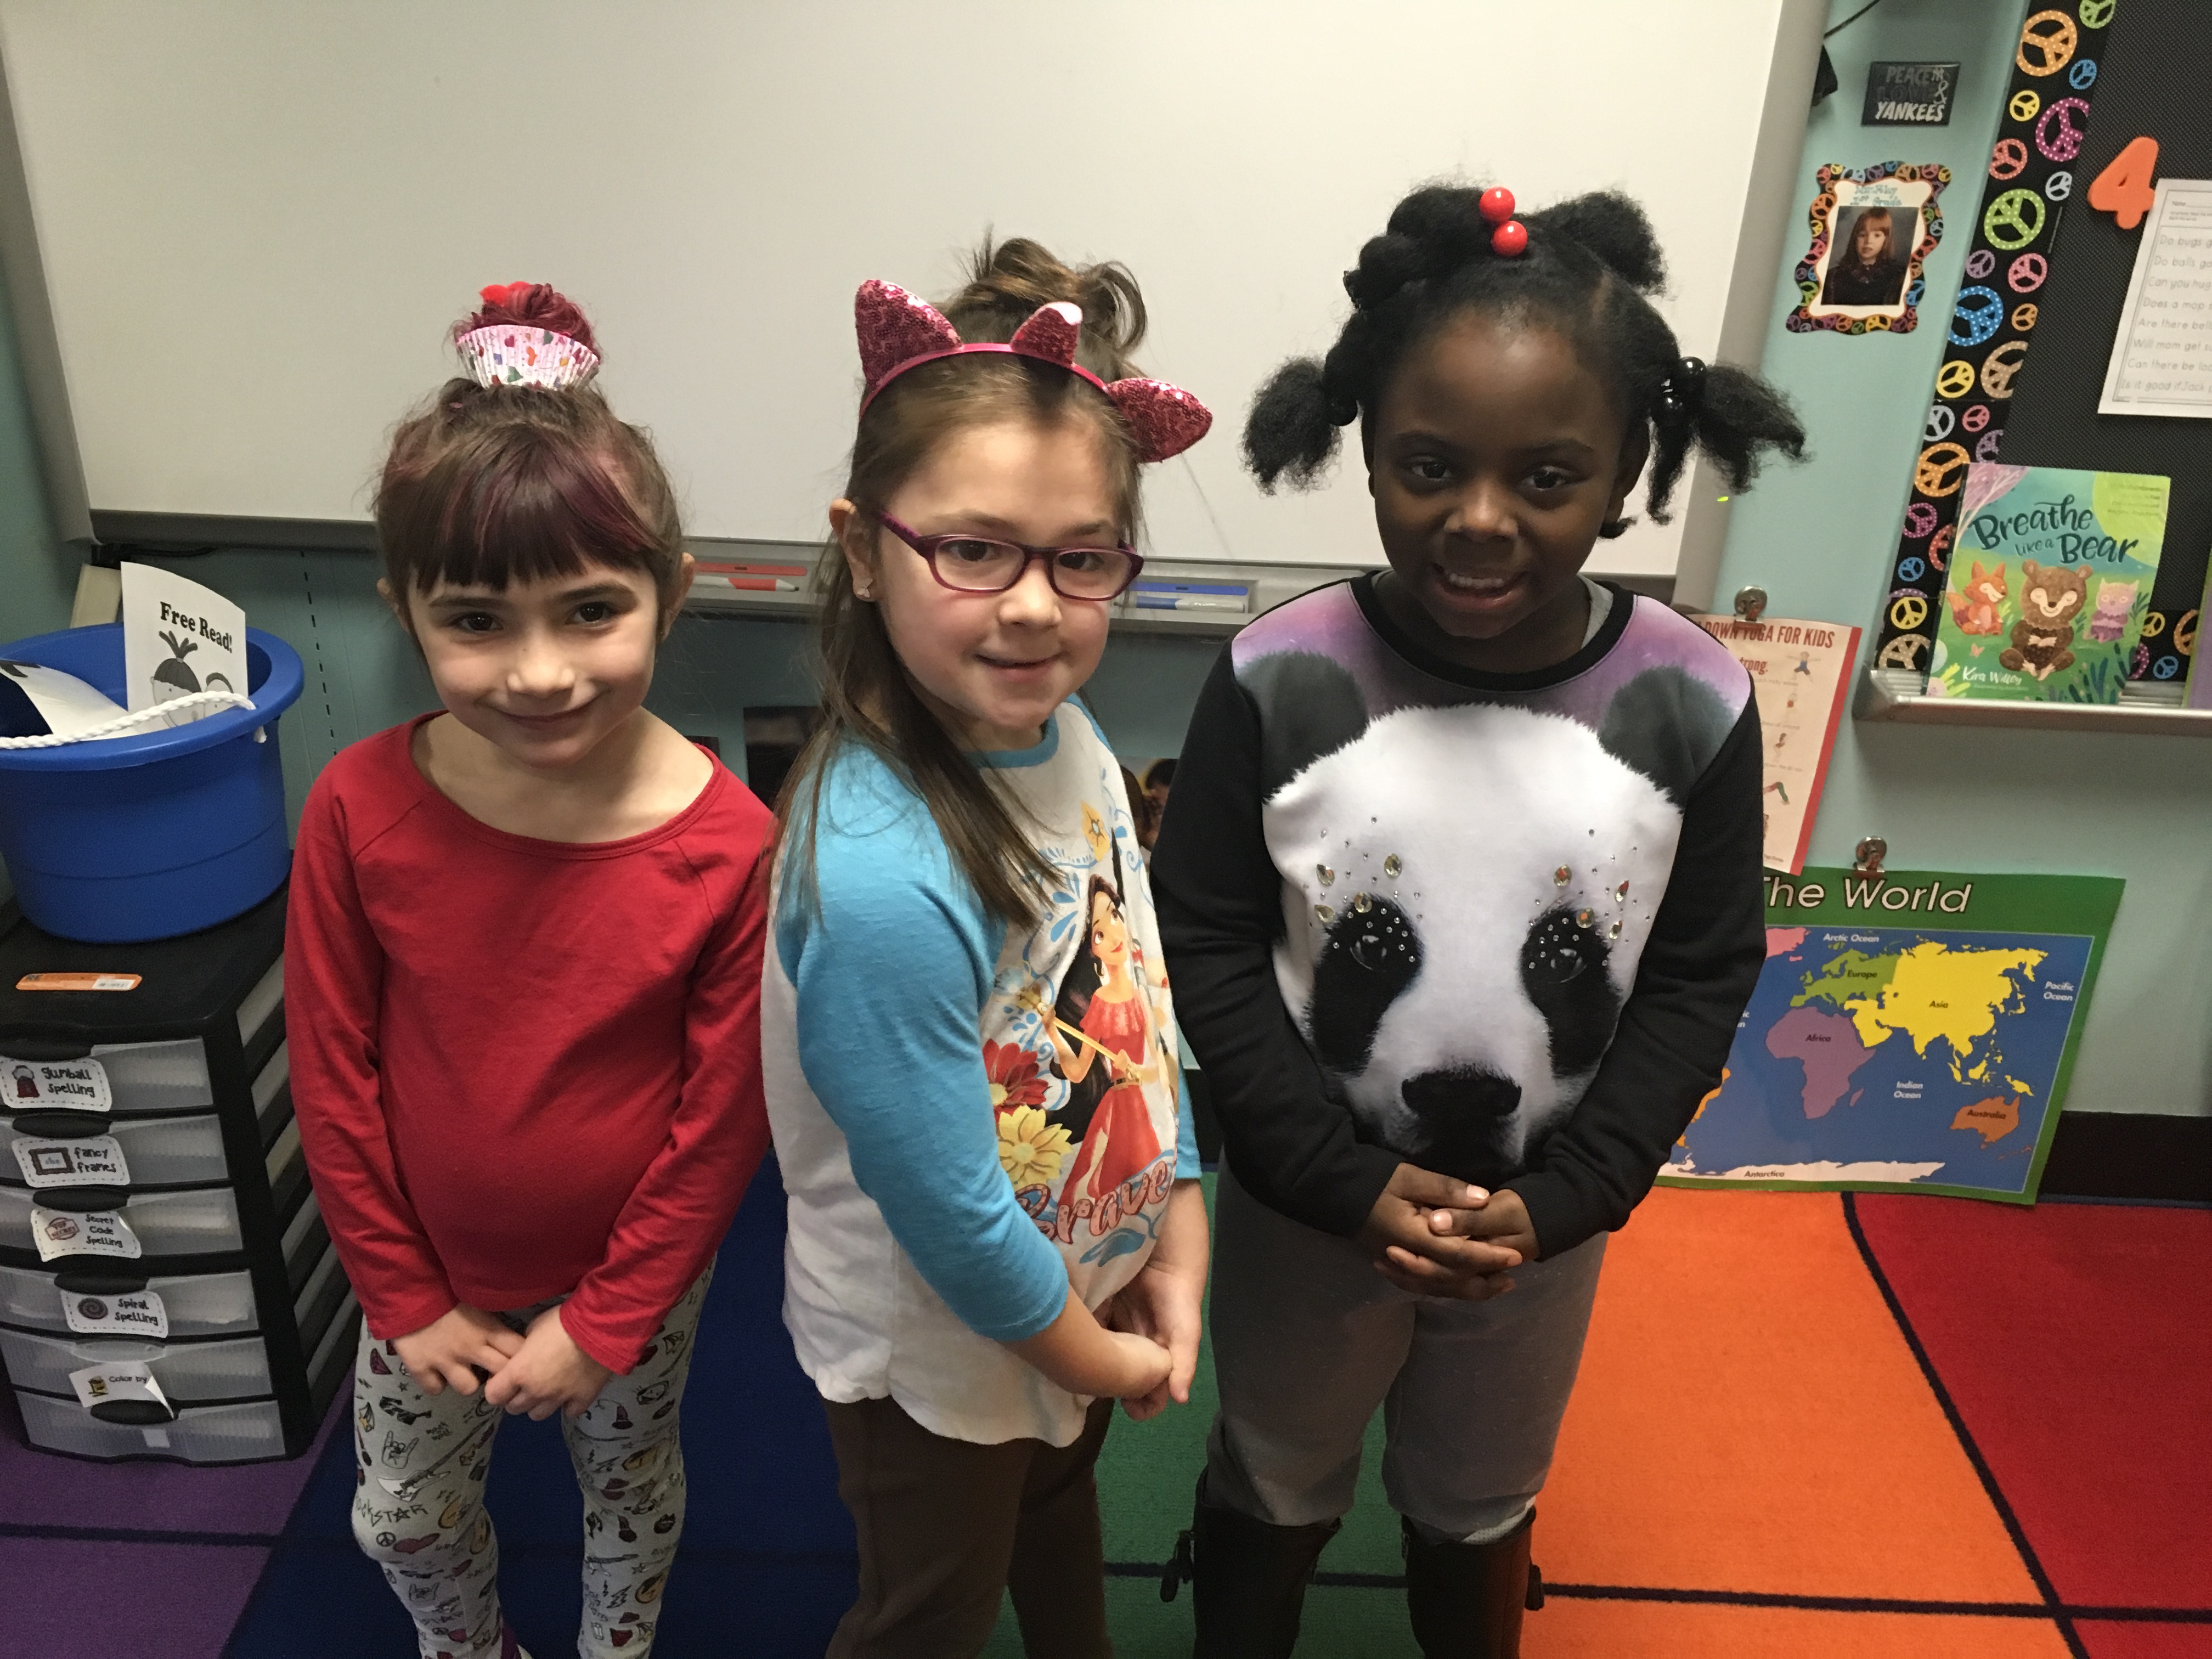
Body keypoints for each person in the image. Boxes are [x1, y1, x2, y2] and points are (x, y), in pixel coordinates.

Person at [1150, 184, 1805, 1658]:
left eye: (1549, 477)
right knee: (1272, 1470)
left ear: (1633, 468)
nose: (1482, 521)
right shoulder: (1275, 671)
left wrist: (1570, 1197)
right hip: (1310, 1206)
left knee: (1481, 1495)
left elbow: (1701, 969)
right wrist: (1327, 1175)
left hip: (1539, 1221)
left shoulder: (1693, 697)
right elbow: (1203, 932)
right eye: (1429, 467)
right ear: (1365, 449)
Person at [287, 283, 774, 1659]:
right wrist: (403, 1294)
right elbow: (332, 1068)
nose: (542, 672)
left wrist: (611, 1315)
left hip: (625, 1287)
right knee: (403, 1519)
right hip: (429, 1281)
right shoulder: (357, 809)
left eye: (592, 610)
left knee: (629, 1500)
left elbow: (720, 1114)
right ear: (407, 610)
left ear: (669, 597)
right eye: (479, 620)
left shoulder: (730, 845)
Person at [763, 239, 1214, 1658]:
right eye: (972, 549)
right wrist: (1098, 1351)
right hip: (941, 1353)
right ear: (861, 546)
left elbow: (1128, 981)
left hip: (1069, 1292)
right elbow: (951, 1213)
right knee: (929, 1611)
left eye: (1081, 558)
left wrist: (1175, 1220)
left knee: (1056, 1522)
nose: (1033, 604)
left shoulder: (1067, 737)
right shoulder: (879, 871)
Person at [1820, 205, 1911, 307]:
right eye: (1863, 235)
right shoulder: (1832, 277)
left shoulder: (1899, 278)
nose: (1868, 242)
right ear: (1855, 239)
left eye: (1877, 235)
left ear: (1886, 240)